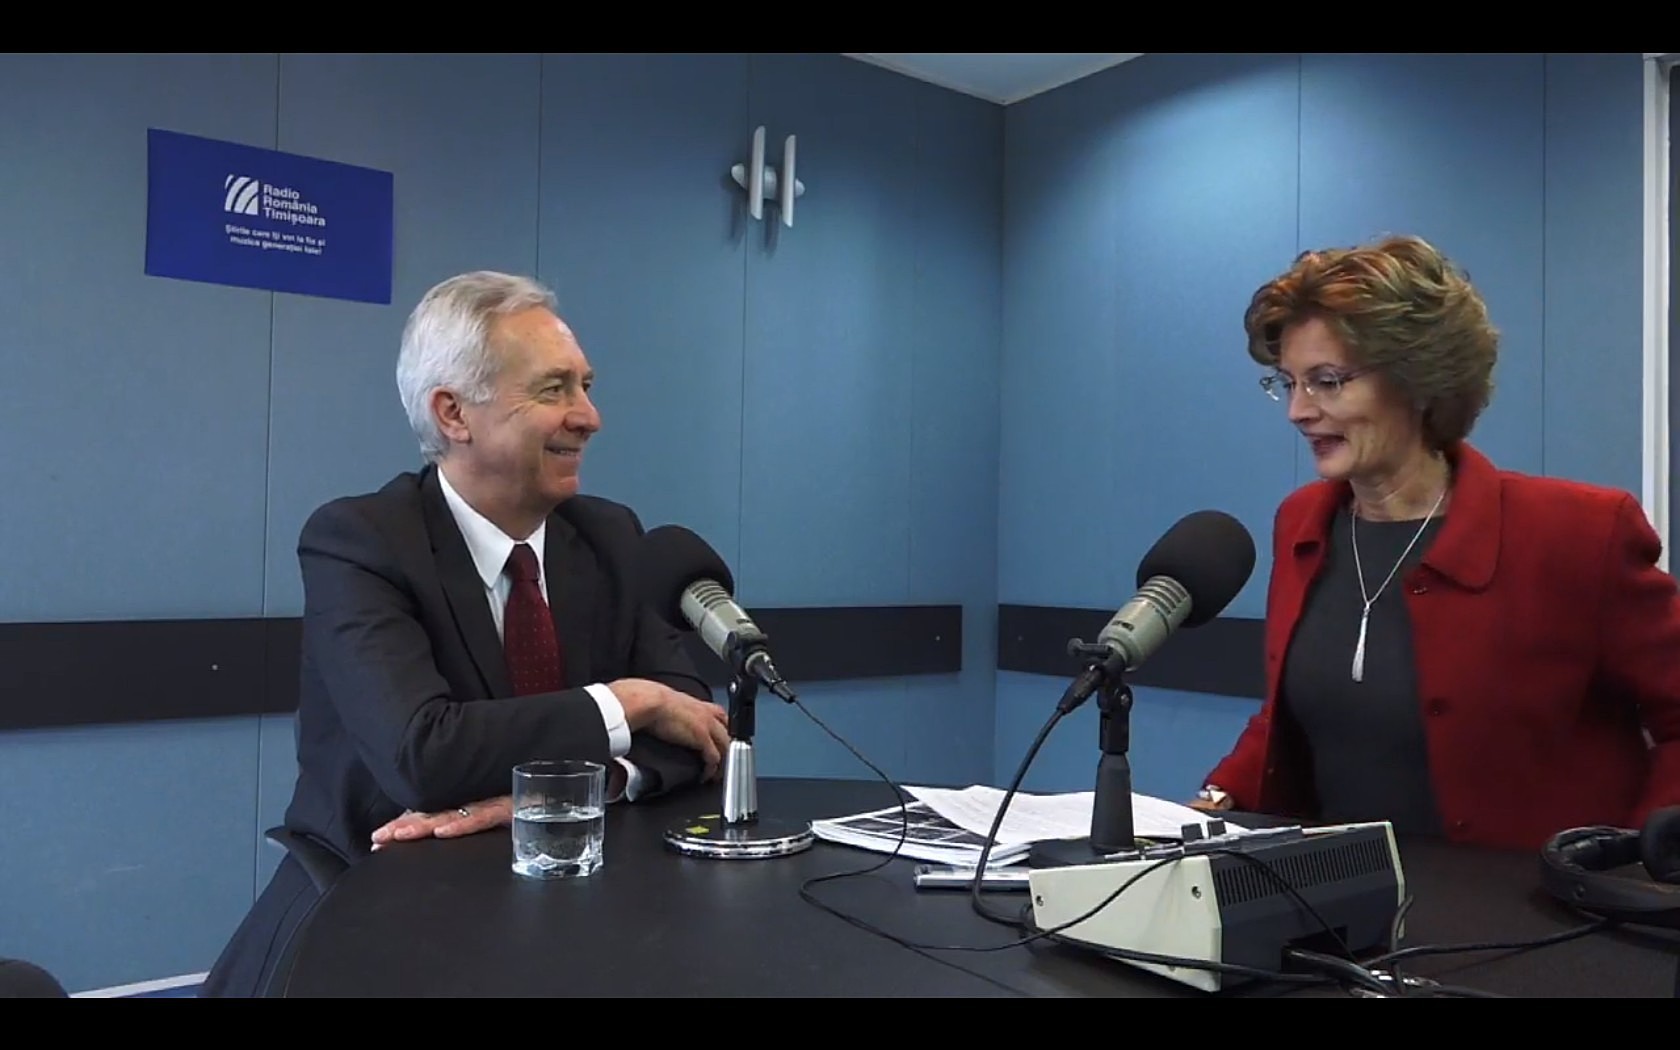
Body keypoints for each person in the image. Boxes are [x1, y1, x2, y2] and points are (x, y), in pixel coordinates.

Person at [203, 271, 730, 997]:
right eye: (553, 390)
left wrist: (571, 792)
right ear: (453, 413)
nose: (589, 417)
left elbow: (696, 730)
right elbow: (422, 755)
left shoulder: (609, 537)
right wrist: (628, 703)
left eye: (585, 385)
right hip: (377, 913)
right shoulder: (361, 541)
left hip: (571, 918)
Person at [1191, 234, 1680, 851]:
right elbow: (1291, 716)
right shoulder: (1302, 522)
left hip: (1535, 905)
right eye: (1287, 383)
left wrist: (1641, 860)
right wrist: (1218, 800)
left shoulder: (1582, 532)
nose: (1298, 411)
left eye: (1327, 382)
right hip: (1340, 897)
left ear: (1418, 382)